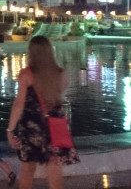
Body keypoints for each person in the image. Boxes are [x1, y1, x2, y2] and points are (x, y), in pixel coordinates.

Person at [7, 36, 80, 189]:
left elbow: (19, 104)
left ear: (31, 52)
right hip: (55, 126)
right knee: (54, 169)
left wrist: (10, 130)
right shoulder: (60, 73)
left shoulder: (26, 74)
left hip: (32, 127)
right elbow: (59, 98)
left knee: (27, 170)